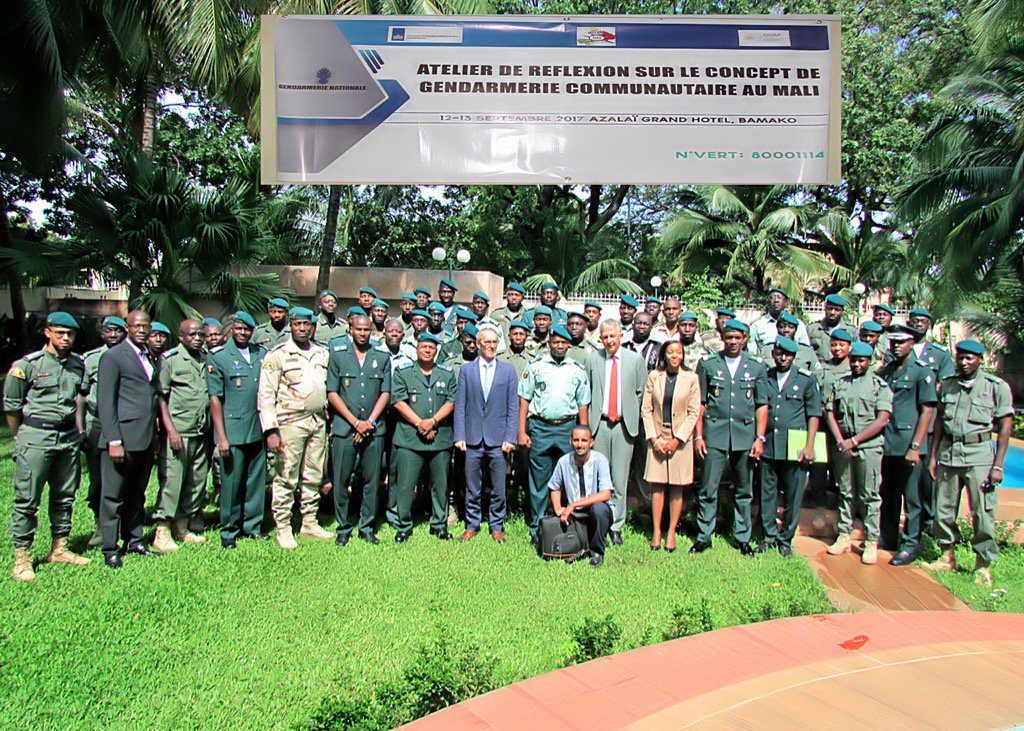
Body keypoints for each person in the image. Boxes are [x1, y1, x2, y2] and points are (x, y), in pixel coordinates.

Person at [5, 312, 90, 581]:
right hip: (36, 436)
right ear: (48, 333)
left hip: (67, 438)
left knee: (65, 495)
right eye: (60, 332)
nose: (65, 338)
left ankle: (60, 547)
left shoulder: (79, 364)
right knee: (27, 499)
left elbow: (79, 397)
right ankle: (22, 557)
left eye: (70, 334)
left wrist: (78, 431)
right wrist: (20, 435)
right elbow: (11, 405)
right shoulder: (27, 365)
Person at [925, 340, 1014, 586]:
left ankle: (982, 565)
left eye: (969, 358)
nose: (964, 362)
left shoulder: (996, 387)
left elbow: (1006, 426)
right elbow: (940, 421)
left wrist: (998, 465)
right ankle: (946, 556)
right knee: (944, 508)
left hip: (979, 456)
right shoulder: (949, 385)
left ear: (980, 360)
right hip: (949, 453)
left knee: (982, 512)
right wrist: (933, 456)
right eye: (960, 358)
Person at [258, 307, 333, 549]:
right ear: (291, 325)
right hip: (290, 422)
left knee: (313, 474)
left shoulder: (322, 353)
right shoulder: (277, 355)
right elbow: (266, 396)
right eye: (297, 324)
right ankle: (283, 526)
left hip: (318, 421)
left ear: (313, 326)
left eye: (306, 324)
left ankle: (309, 521)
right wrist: (270, 429)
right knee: (286, 475)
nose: (302, 328)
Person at [692, 319, 769, 555]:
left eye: (738, 338)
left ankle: (742, 537)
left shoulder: (756, 366)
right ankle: (704, 536)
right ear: (722, 338)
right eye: (729, 337)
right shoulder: (708, 365)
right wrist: (698, 436)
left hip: (744, 435)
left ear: (745, 339)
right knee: (708, 488)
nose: (733, 342)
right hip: (714, 433)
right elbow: (700, 404)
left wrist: (760, 438)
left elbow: (761, 404)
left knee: (744, 490)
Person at [97, 310, 160, 568]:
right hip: (121, 438)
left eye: (146, 326)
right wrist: (113, 440)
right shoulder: (113, 357)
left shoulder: (151, 356)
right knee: (113, 496)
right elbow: (106, 401)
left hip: (144, 438)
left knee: (137, 493)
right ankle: (110, 547)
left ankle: (134, 540)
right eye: (137, 326)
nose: (142, 330)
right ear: (127, 328)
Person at [518, 326, 591, 542]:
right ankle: (537, 527)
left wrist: (583, 435)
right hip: (541, 427)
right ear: (549, 342)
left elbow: (582, 404)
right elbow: (524, 398)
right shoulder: (536, 366)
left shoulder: (577, 369)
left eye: (563, 342)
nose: (559, 346)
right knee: (539, 481)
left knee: (570, 478)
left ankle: (570, 522)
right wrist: (521, 431)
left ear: (569, 344)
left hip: (567, 428)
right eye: (556, 342)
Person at [824, 341, 893, 565]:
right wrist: (841, 441)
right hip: (843, 444)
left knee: (869, 494)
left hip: (868, 446)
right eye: (853, 360)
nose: (856, 364)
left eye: (861, 360)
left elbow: (882, 419)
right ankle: (844, 534)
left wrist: (854, 441)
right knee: (845, 491)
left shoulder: (878, 386)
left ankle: (871, 539)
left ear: (869, 362)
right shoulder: (840, 383)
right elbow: (830, 414)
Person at [326, 315, 391, 546]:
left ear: (372, 331)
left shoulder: (382, 358)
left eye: (367, 330)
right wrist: (356, 423)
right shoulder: (338, 357)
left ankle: (366, 526)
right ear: (350, 329)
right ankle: (343, 526)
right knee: (341, 479)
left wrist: (369, 422)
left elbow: (386, 393)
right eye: (358, 329)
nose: (363, 333)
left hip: (374, 429)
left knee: (372, 481)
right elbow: (332, 393)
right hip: (345, 428)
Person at [877, 325, 937, 565]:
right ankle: (888, 538)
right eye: (893, 342)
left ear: (912, 342)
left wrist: (916, 446)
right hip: (888, 442)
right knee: (888, 494)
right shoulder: (887, 371)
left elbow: (927, 411)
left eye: (901, 342)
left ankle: (910, 545)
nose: (896, 346)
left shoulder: (922, 372)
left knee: (912, 499)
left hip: (909, 445)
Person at [207, 311, 268, 548]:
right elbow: (215, 399)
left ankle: (251, 526)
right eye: (239, 328)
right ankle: (229, 530)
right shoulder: (220, 357)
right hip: (232, 430)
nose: (243, 333)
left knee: (255, 481)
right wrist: (221, 437)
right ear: (232, 329)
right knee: (231, 482)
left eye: (247, 329)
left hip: (257, 428)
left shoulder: (260, 354)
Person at [756, 337, 821, 557]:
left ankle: (786, 539)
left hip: (795, 447)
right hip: (769, 445)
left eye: (788, 355)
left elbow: (813, 414)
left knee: (793, 495)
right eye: (779, 354)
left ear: (794, 357)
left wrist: (809, 445)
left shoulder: (805, 380)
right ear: (773, 354)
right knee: (767, 494)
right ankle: (768, 536)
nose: (783, 358)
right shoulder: (766, 376)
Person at [390, 333, 456, 542]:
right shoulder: (403, 372)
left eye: (431, 347)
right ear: (416, 349)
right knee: (406, 485)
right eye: (423, 346)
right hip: (410, 438)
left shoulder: (446, 374)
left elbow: (451, 401)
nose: (427, 350)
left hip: (440, 438)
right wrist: (420, 423)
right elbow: (399, 401)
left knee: (441, 484)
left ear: (436, 350)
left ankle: (439, 524)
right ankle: (403, 525)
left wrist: (433, 422)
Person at [585, 320, 646, 546]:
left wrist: (630, 414)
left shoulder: (635, 360)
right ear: (600, 338)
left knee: (619, 479)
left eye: (613, 336)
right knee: (599, 478)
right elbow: (587, 392)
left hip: (623, 426)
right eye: (605, 337)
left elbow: (641, 391)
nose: (609, 341)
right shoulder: (593, 360)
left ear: (620, 335)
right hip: (599, 426)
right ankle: (597, 521)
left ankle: (616, 525)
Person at [454, 325, 518, 542]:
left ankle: (496, 525)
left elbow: (512, 407)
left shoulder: (508, 371)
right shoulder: (466, 370)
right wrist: (459, 436)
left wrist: (510, 437)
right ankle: (472, 524)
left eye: (494, 342)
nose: (491, 346)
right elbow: (460, 405)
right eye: (487, 342)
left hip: (498, 440)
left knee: (499, 486)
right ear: (478, 344)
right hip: (472, 438)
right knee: (472, 486)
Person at [152, 319, 210, 552]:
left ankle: (182, 525)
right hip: (179, 432)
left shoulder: (206, 359)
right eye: (192, 335)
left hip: (200, 431)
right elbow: (161, 398)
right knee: (173, 481)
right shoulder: (171, 360)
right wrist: (171, 431)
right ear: (181, 337)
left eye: (200, 335)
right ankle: (162, 529)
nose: (197, 338)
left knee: (196, 481)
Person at [640, 340, 701, 553]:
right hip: (658, 434)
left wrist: (678, 440)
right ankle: (656, 531)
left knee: (677, 486)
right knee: (657, 486)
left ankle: (671, 532)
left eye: (678, 352)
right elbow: (646, 409)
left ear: (683, 355)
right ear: (664, 355)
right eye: (670, 352)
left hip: (679, 440)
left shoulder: (691, 379)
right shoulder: (654, 377)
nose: (674, 356)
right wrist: (654, 438)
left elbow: (694, 412)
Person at [82, 315, 127, 547]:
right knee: (99, 479)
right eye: (109, 330)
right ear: (102, 333)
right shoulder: (90, 360)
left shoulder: (132, 357)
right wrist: (80, 428)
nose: (113, 335)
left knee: (124, 476)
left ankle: (123, 524)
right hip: (98, 423)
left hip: (126, 422)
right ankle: (101, 525)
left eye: (118, 331)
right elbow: (80, 396)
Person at [547, 426, 614, 568]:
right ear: (570, 442)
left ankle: (597, 553)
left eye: (584, 440)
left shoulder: (600, 460)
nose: (579, 444)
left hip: (597, 508)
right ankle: (579, 547)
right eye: (576, 440)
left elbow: (606, 493)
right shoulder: (564, 461)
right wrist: (558, 507)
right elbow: (554, 486)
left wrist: (574, 504)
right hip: (576, 513)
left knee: (599, 509)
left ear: (591, 443)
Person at [748, 287, 812, 353]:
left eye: (779, 297)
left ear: (785, 302)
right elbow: (751, 349)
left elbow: (805, 350)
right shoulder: (757, 325)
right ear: (768, 302)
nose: (776, 300)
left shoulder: (799, 325)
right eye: (772, 297)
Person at [807, 294, 855, 361]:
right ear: (825, 308)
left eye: (837, 310)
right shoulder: (812, 329)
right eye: (830, 309)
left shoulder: (851, 331)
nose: (833, 312)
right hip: (819, 369)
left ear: (842, 311)